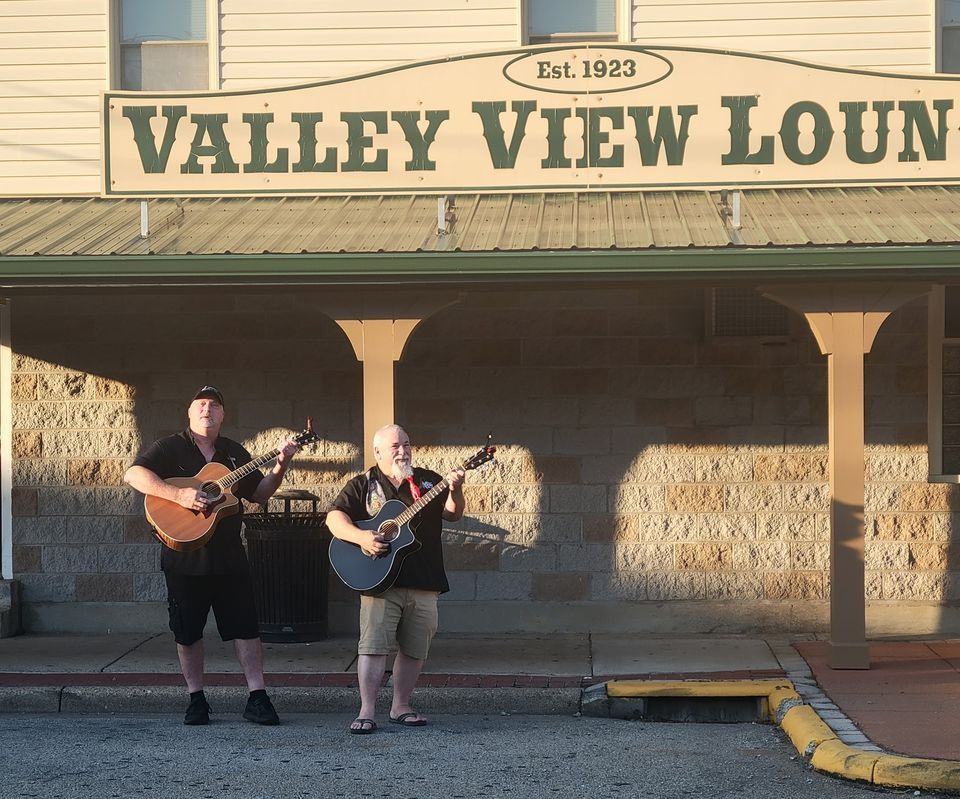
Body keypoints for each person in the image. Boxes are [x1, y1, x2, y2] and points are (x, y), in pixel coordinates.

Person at [123, 385, 300, 726]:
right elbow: (134, 474)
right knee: (187, 630)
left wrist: (281, 464)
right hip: (184, 557)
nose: (207, 409)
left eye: (214, 405)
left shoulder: (235, 454)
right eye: (201, 404)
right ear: (190, 413)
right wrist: (178, 495)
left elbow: (260, 495)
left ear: (222, 415)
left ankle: (257, 697)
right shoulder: (169, 447)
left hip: (230, 557)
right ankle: (196, 699)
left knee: (246, 628)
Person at [326, 423, 465, 734]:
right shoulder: (363, 484)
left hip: (424, 578)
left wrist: (455, 488)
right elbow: (334, 517)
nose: (403, 451)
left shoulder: (428, 481)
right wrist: (361, 538)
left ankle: (401, 705)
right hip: (380, 581)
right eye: (395, 446)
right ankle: (366, 710)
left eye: (406, 444)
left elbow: (453, 514)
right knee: (373, 647)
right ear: (377, 452)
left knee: (415, 648)